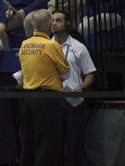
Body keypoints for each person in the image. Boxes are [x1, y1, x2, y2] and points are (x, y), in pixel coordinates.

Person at [17, 10, 69, 166]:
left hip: (27, 100)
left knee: (27, 143)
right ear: (49, 26)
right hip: (48, 100)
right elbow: (66, 74)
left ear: (33, 25)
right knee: (47, 145)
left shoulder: (24, 45)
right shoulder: (52, 45)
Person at [51, 10, 96, 166]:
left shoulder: (79, 47)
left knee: (74, 145)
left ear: (67, 24)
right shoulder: (46, 47)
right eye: (52, 20)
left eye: (58, 20)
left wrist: (82, 86)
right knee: (54, 145)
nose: (54, 23)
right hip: (52, 100)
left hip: (74, 101)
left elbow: (90, 73)